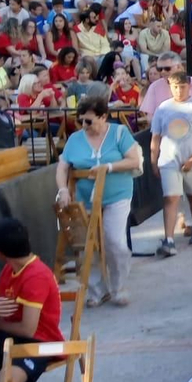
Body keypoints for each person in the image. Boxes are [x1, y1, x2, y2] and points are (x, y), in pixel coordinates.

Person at [53, 96, 143, 306]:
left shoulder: (119, 133)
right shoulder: (76, 139)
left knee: (114, 241)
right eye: (81, 121)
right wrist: (63, 189)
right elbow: (62, 167)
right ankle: (97, 290)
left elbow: (134, 160)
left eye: (89, 121)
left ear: (103, 117)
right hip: (85, 197)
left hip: (116, 194)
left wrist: (109, 167)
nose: (84, 125)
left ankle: (118, 286)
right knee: (87, 243)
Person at [149, 70, 192, 255]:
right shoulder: (163, 108)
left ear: (189, 87)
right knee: (170, 197)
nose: (179, 91)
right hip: (169, 160)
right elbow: (156, 136)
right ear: (170, 87)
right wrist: (154, 160)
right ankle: (168, 239)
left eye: (182, 87)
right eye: (175, 87)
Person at [0, 218, 64, 382]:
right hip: (10, 339)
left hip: (40, 343)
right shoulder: (9, 271)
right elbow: (2, 311)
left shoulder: (36, 276)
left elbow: (27, 330)